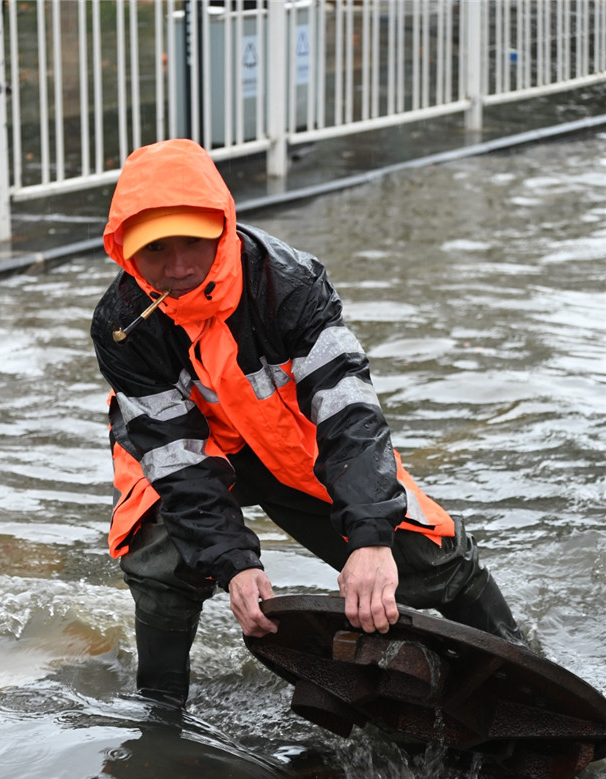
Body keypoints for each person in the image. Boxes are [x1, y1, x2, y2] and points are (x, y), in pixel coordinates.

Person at [91, 138, 524, 702]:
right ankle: (160, 709)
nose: (179, 267)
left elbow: (349, 412)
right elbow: (177, 459)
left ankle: (521, 664)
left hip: (294, 441)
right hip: (186, 454)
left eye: (194, 243)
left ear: (222, 226)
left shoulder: (288, 285)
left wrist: (370, 541)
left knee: (428, 555)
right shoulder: (121, 324)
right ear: (125, 251)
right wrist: (235, 567)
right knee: (156, 562)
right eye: (156, 252)